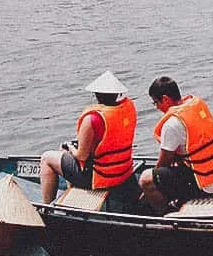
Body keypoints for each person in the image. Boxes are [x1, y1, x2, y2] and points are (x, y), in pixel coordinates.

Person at [139, 77, 213, 213]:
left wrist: (148, 191)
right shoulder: (197, 105)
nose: (157, 107)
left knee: (146, 179)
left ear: (166, 99)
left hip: (207, 186)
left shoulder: (172, 123)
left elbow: (163, 163)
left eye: (156, 103)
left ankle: (164, 216)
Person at [39, 71, 139, 204]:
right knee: (66, 153)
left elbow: (81, 156)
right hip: (124, 172)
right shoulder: (128, 108)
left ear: (96, 95)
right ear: (117, 94)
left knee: (47, 158)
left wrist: (70, 148)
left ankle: (46, 206)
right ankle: (74, 193)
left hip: (99, 177)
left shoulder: (93, 119)